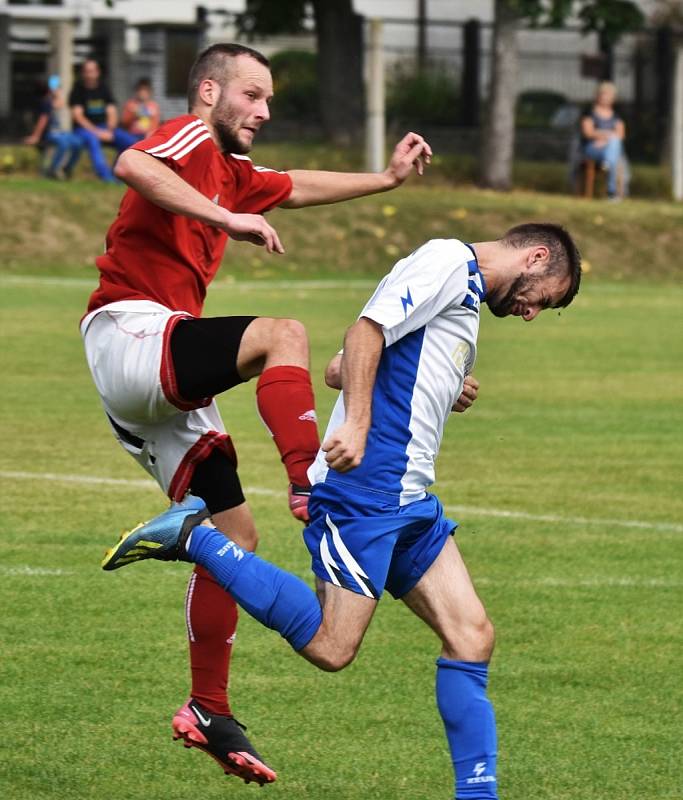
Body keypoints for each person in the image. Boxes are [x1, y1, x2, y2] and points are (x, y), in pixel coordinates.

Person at [105, 222, 582, 797]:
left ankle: (478, 795)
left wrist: (444, 380)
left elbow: (339, 368)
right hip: (366, 493)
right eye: (543, 298)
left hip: (409, 498)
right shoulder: (445, 262)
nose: (532, 312)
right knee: (333, 647)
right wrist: (355, 422)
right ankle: (195, 538)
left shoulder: (463, 293)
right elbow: (364, 334)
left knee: (472, 636)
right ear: (534, 257)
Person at [86, 42, 433, 785]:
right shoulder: (187, 137)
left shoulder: (238, 173)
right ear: (209, 91)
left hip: (151, 371)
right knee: (286, 335)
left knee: (232, 536)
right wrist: (226, 217)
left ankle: (206, 707)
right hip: (130, 331)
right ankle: (308, 481)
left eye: (268, 99)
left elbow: (295, 184)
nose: (264, 111)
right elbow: (133, 165)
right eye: (251, 94)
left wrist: (385, 179)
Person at [69, 59, 139, 182]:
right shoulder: (77, 90)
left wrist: (110, 129)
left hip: (104, 127)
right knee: (93, 140)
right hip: (83, 130)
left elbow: (111, 111)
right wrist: (97, 132)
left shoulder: (104, 88)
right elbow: (78, 116)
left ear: (97, 72)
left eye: (92, 71)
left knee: (130, 141)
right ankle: (106, 178)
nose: (90, 74)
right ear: (83, 73)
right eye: (87, 71)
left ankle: (118, 173)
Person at [23, 76, 82, 179]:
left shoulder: (47, 101)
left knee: (78, 143)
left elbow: (60, 103)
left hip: (58, 132)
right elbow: (43, 120)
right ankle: (51, 170)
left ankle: (67, 168)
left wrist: (56, 92)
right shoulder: (43, 102)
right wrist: (36, 136)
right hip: (49, 133)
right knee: (63, 144)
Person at [580, 81, 628, 199]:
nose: (606, 98)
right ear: (598, 96)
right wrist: (609, 136)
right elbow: (588, 132)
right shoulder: (589, 113)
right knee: (614, 148)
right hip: (593, 148)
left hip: (609, 147)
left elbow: (621, 135)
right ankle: (612, 193)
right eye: (603, 95)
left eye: (609, 95)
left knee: (614, 145)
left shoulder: (617, 115)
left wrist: (605, 139)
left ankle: (608, 166)